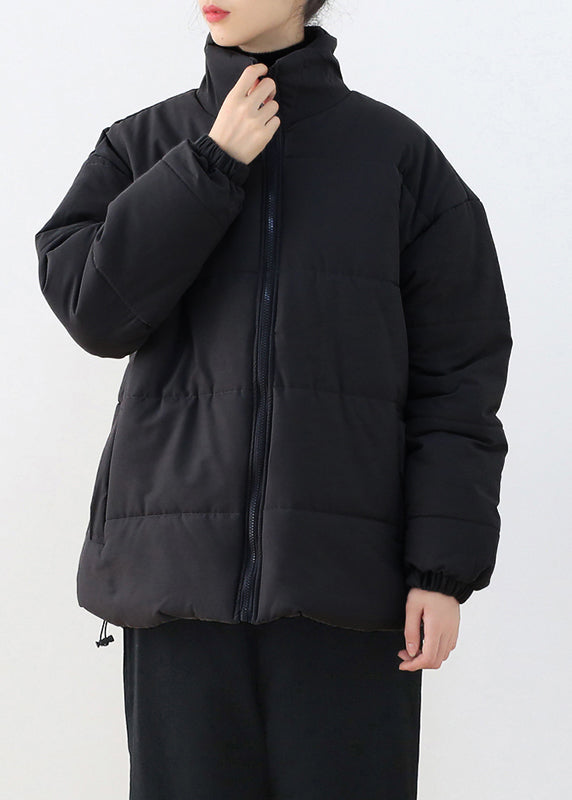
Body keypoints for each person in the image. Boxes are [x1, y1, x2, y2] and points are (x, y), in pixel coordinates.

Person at [34, 1, 513, 798]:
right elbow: (94, 312)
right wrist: (210, 165)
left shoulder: (397, 159)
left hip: (347, 591)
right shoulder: (142, 146)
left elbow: (459, 377)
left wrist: (441, 569)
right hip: (177, 590)